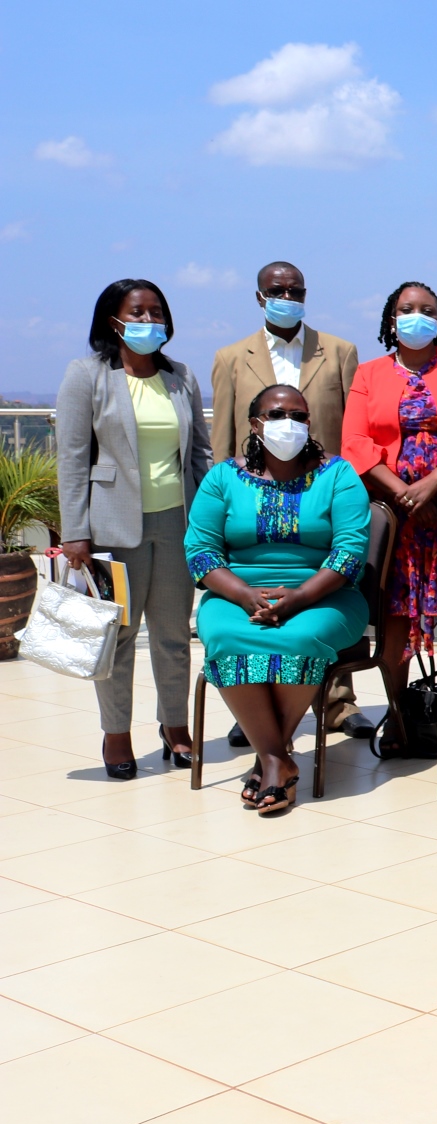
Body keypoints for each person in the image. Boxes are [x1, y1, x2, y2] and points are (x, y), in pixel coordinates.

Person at [185, 385, 370, 816]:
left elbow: (349, 550)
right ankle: (276, 760)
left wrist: (299, 598)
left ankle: (267, 761)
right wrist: (246, 596)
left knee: (300, 639)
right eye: (276, 414)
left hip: (326, 594)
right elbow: (201, 550)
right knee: (229, 638)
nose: (289, 424)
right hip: (233, 593)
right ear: (255, 424)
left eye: (299, 416)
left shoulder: (338, 475)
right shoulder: (222, 478)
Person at [55, 279, 212, 779]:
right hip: (110, 527)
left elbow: (200, 455)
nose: (149, 322)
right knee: (117, 637)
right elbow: (73, 459)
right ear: (113, 321)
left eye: (156, 312)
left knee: (172, 636)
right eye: (138, 312)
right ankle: (116, 734)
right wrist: (75, 531)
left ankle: (175, 727)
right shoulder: (87, 376)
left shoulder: (181, 376)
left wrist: (208, 521)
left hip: (175, 524)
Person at [210, 261, 370, 744]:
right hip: (254, 494)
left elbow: (351, 429)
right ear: (259, 297)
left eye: (296, 289)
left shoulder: (339, 351)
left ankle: (338, 702)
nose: (288, 295)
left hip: (319, 498)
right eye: (277, 290)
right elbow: (223, 439)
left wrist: (339, 498)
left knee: (322, 603)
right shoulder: (231, 357)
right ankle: (257, 709)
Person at [342, 281, 437, 756]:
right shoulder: (368, 374)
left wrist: (430, 486)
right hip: (394, 515)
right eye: (407, 309)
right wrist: (405, 492)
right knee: (394, 614)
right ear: (391, 320)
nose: (417, 316)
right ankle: (398, 715)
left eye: (427, 310)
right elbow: (356, 442)